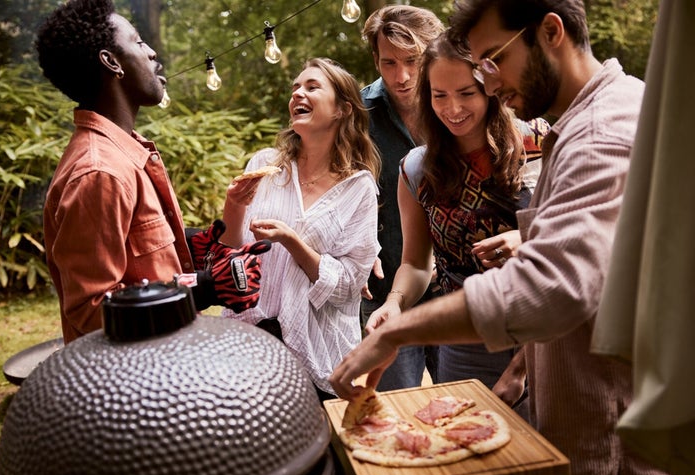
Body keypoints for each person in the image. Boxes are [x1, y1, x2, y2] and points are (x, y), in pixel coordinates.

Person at [330, 1, 684, 475]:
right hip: (587, 394)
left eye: (494, 59)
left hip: (614, 435)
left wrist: (398, 330)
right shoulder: (602, 114)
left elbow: (549, 287)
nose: (490, 83)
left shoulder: (596, 134)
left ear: (550, 32)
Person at [37, 0, 268, 344]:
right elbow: (91, 309)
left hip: (164, 358)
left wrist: (196, 246)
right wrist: (202, 289)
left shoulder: (126, 151)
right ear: (111, 62)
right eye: (139, 42)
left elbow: (137, 256)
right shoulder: (99, 172)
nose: (153, 52)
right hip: (132, 382)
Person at [366, 32, 547, 415]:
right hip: (463, 343)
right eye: (440, 95)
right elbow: (416, 264)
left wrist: (526, 237)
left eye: (467, 93)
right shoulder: (417, 169)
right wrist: (396, 304)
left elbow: (572, 243)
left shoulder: (540, 144)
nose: (453, 109)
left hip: (544, 338)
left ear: (492, 88)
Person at [219, 57, 381, 402]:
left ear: (342, 109)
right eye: (295, 88)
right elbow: (229, 255)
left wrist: (292, 241)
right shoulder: (264, 166)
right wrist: (233, 206)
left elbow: (350, 285)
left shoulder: (358, 188)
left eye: (311, 87)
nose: (297, 94)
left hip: (319, 352)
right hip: (251, 343)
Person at [359, 4, 445, 391]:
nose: (402, 75)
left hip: (458, 290)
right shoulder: (357, 115)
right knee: (398, 412)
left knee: (471, 409)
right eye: (389, 62)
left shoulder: (459, 105)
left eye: (413, 60)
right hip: (386, 292)